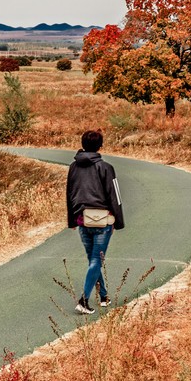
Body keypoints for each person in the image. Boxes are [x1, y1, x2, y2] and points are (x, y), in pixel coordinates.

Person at [66, 129, 124, 314]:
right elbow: (115, 196)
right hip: (101, 221)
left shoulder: (73, 167)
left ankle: (104, 296)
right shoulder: (106, 167)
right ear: (100, 145)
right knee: (96, 261)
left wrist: (72, 220)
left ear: (83, 144)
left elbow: (70, 194)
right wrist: (118, 221)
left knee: (93, 260)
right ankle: (83, 300)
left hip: (82, 220)